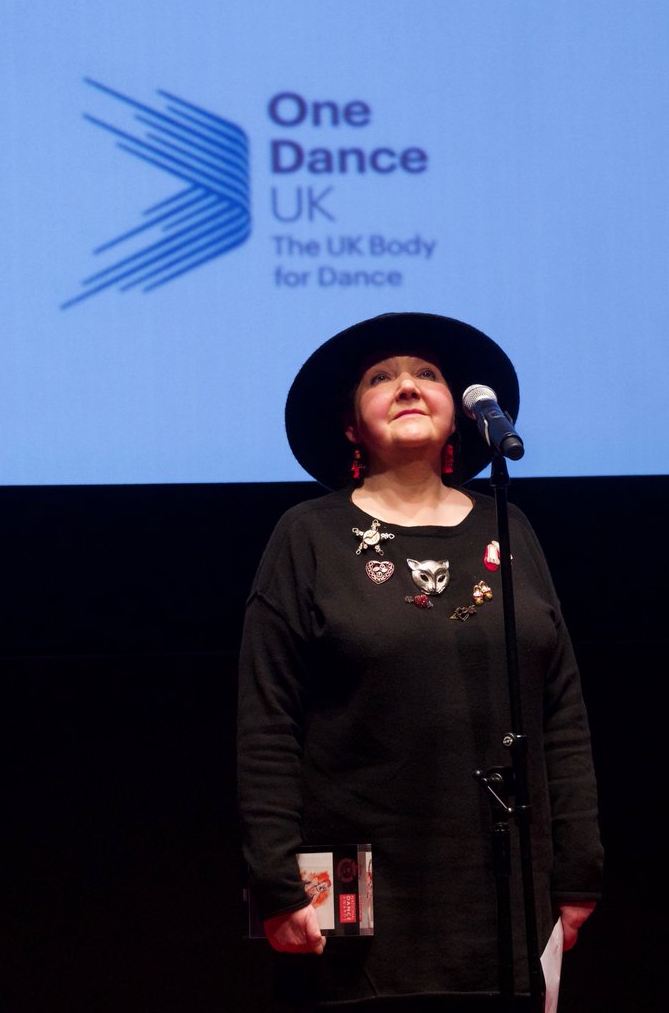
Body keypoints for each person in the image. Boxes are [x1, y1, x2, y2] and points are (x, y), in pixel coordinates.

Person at [237, 312, 602, 1011]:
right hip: (362, 885)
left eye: (427, 375)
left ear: (459, 413)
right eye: (382, 378)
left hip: (504, 884)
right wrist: (275, 879)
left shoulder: (508, 524)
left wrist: (578, 868)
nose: (408, 386)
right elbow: (267, 721)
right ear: (350, 426)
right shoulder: (308, 535)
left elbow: (562, 708)